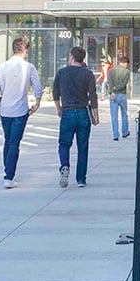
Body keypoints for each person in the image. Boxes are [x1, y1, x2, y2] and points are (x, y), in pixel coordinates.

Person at [0, 37, 42, 189]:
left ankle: (8, 171)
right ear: (25, 50)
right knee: (14, 143)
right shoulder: (29, 67)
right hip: (20, 110)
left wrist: (4, 91)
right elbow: (37, 86)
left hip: (5, 109)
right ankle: (9, 176)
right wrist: (37, 102)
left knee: (7, 140)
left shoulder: (3, 66)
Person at [53, 46, 98, 188]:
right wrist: (95, 116)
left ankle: (64, 166)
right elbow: (93, 96)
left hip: (67, 112)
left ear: (71, 56)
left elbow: (55, 94)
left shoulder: (61, 73)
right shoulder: (88, 74)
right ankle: (81, 179)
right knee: (83, 147)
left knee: (64, 144)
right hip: (83, 112)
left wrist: (59, 109)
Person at [106, 54, 132, 140]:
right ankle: (125, 132)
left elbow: (109, 82)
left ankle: (115, 135)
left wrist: (112, 91)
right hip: (122, 94)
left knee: (114, 116)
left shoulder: (111, 71)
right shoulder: (127, 72)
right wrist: (116, 88)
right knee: (124, 114)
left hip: (113, 95)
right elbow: (124, 83)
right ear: (125, 63)